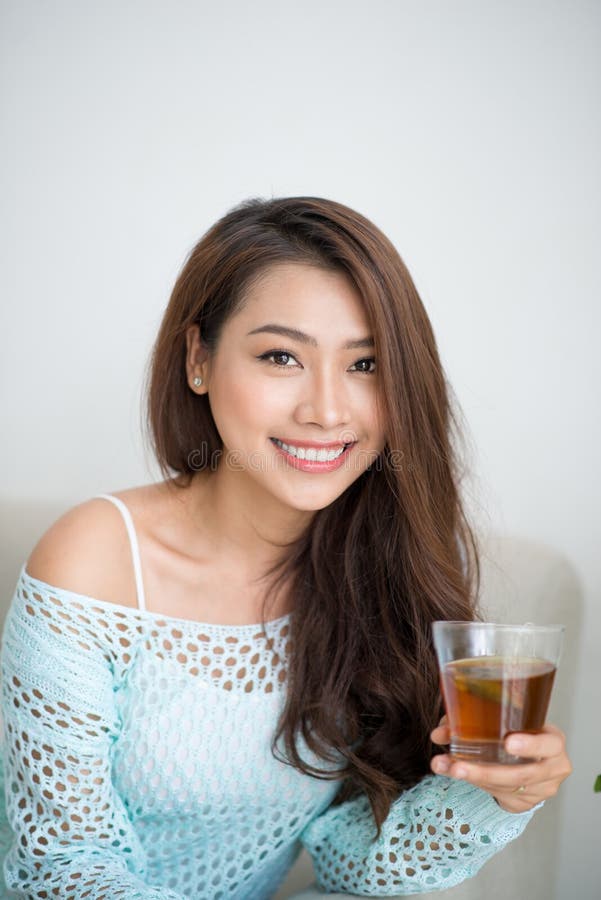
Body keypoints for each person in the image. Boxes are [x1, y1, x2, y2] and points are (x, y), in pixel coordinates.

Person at [0, 196, 572, 899]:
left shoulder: (372, 569)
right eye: (281, 356)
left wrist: (491, 794)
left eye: (365, 366)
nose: (326, 410)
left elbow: (343, 858)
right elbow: (60, 868)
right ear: (197, 359)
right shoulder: (94, 559)